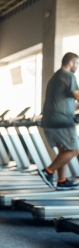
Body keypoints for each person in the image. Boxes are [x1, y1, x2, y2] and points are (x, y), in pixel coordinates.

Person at [39, 52, 79, 189]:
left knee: (64, 151)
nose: (78, 66)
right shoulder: (68, 76)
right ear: (71, 63)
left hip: (50, 120)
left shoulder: (55, 77)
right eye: (77, 63)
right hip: (62, 121)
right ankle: (48, 171)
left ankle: (62, 180)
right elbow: (77, 95)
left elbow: (66, 100)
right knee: (74, 150)